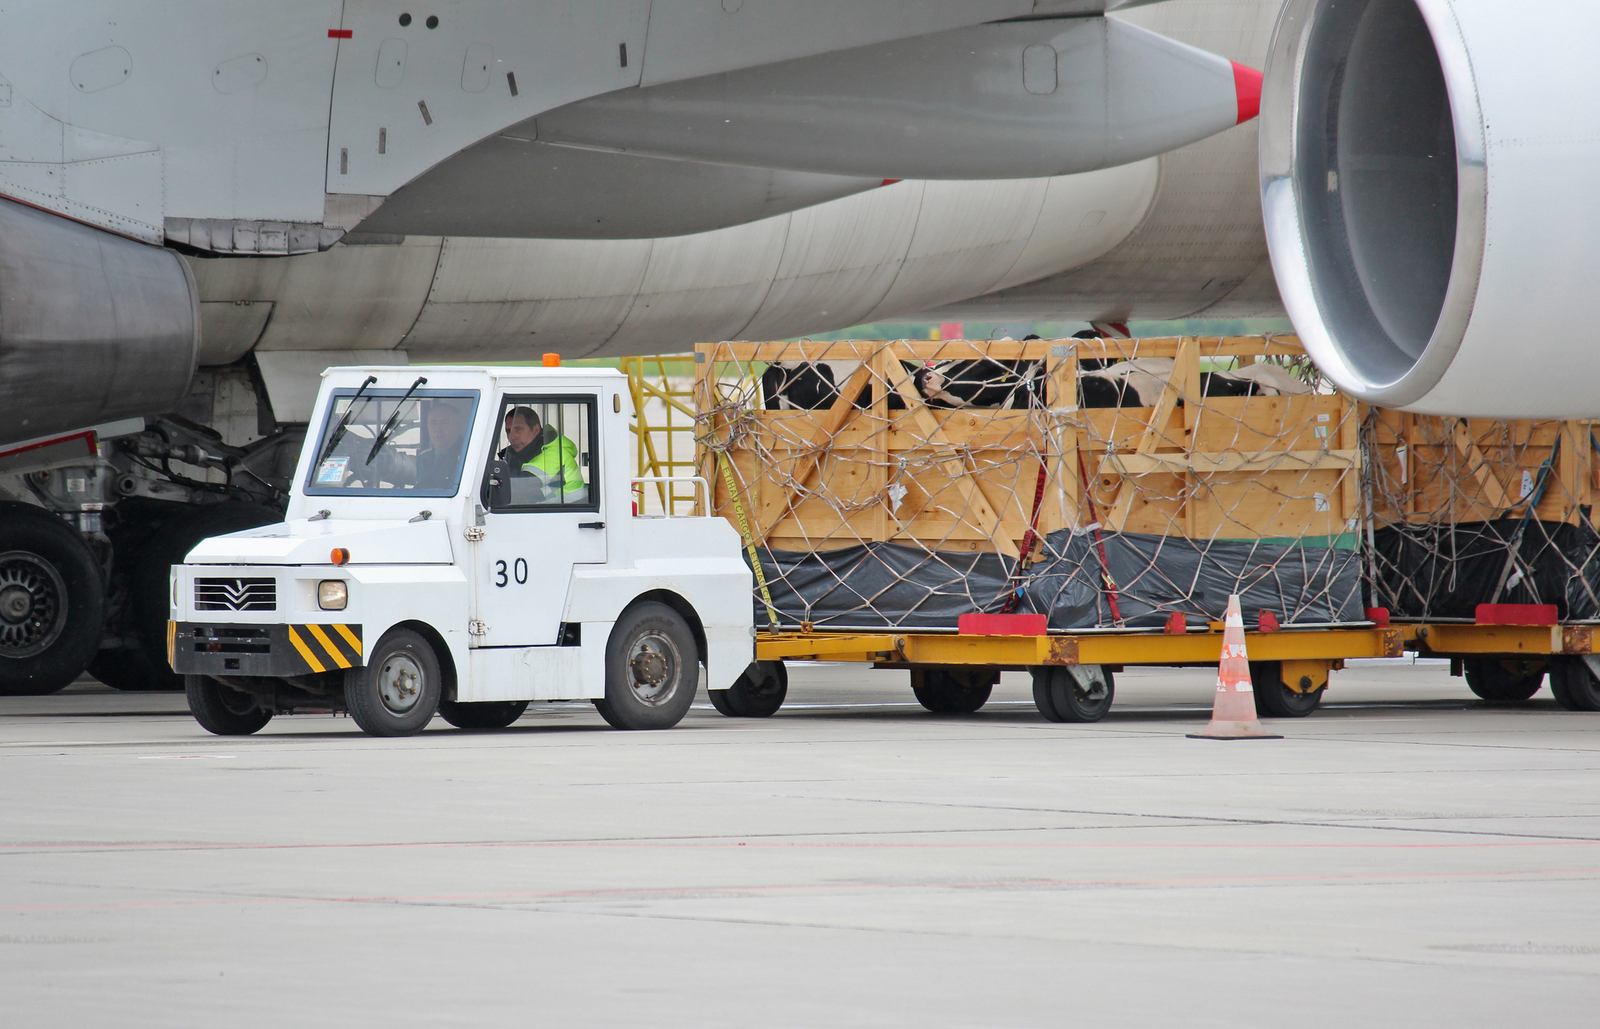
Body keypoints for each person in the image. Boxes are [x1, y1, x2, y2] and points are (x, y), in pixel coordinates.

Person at [501, 405, 586, 501]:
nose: (512, 437)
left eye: (519, 429)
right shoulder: (526, 454)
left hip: (571, 512)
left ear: (536, 429)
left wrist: (493, 471)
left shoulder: (556, 453)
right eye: (508, 431)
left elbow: (523, 485)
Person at [415, 399, 471, 489]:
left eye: (445, 423)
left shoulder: (467, 457)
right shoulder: (423, 458)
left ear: (458, 427)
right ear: (428, 428)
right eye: (433, 423)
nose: (438, 429)